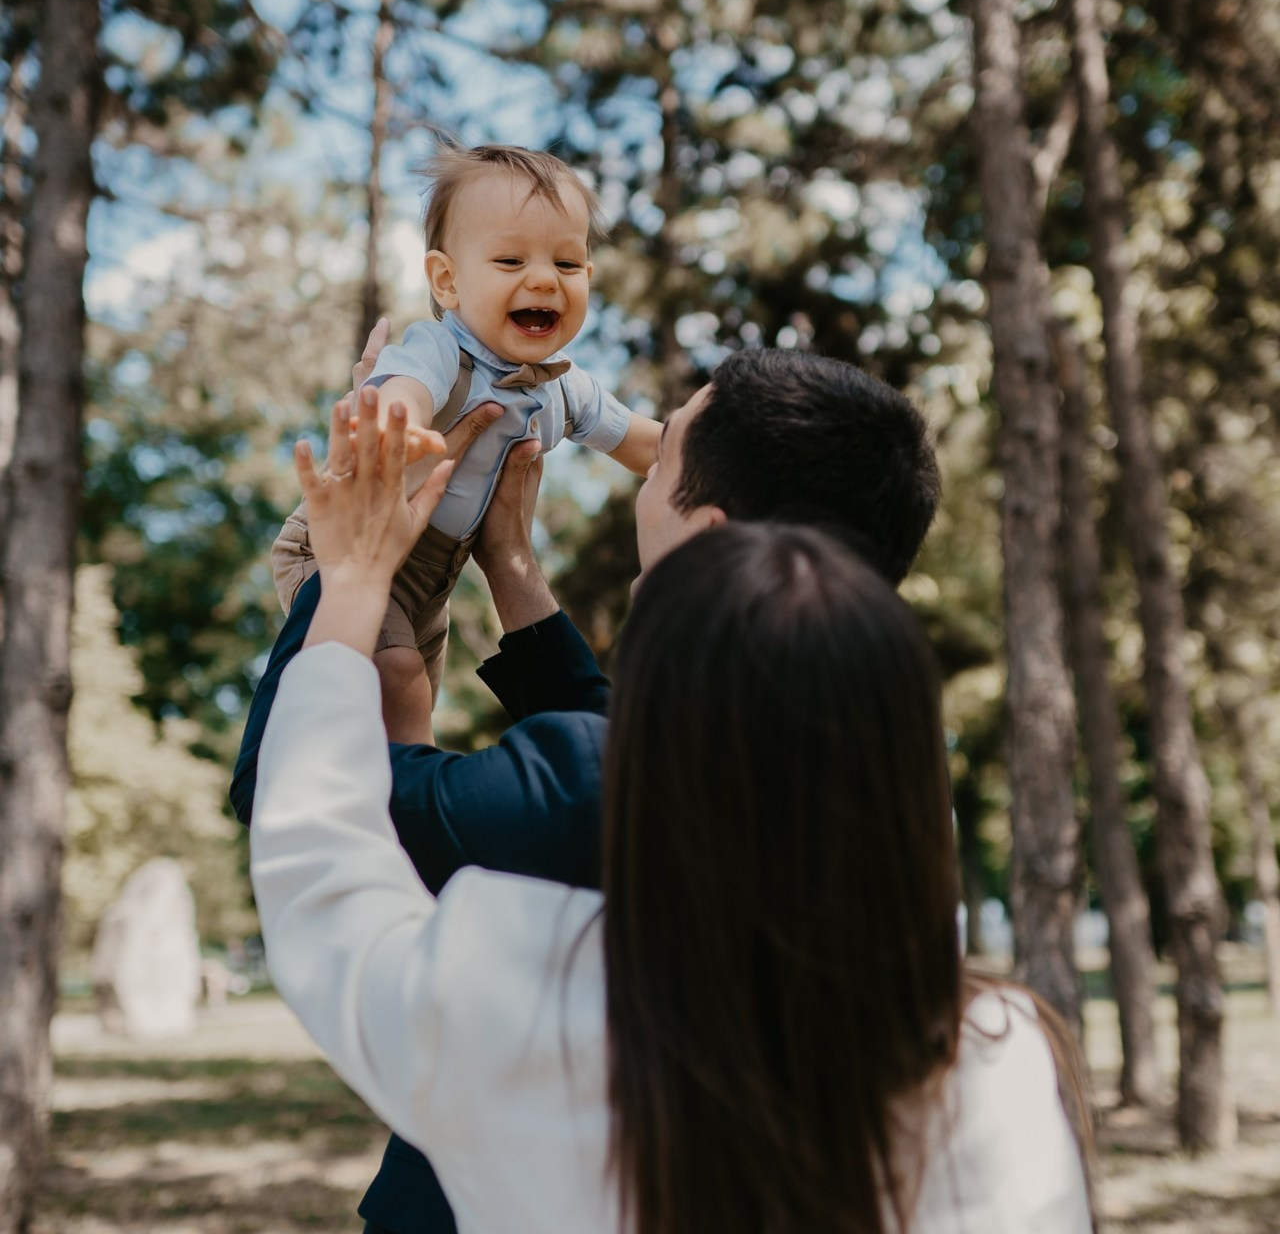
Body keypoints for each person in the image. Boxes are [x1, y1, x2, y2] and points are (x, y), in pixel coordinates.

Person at [248, 393, 1094, 1233]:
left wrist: (347, 579)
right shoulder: (999, 1051)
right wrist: (511, 566)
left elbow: (313, 839)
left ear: (712, 540)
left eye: (658, 464)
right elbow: (645, 757)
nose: (637, 479)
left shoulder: (519, 998)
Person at [271, 141, 661, 742]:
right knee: (398, 678)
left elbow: (643, 445)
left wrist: (720, 457)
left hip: (435, 578)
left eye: (566, 263)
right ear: (447, 281)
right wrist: (396, 424)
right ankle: (398, 814)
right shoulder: (440, 348)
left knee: (408, 704)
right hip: (347, 546)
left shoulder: (567, 387)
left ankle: (396, 821)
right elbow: (406, 387)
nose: (543, 280)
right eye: (510, 261)